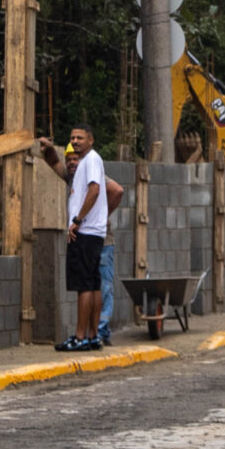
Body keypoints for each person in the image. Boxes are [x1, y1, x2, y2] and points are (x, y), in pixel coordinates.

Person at [40, 124, 107, 351]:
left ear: (91, 140)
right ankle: (92, 335)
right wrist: (50, 153)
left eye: (80, 137)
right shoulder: (81, 166)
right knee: (94, 283)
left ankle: (80, 337)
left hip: (86, 232)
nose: (76, 141)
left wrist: (78, 220)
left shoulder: (91, 160)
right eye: (72, 138)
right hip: (91, 231)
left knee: (84, 286)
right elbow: (60, 168)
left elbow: (95, 190)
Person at [60, 143, 127, 346]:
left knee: (94, 286)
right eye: (68, 159)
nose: (72, 162)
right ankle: (93, 335)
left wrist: (99, 216)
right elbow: (55, 164)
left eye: (75, 158)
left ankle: (95, 333)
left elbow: (116, 190)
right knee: (94, 285)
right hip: (93, 235)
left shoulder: (91, 172)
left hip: (97, 238)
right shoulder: (75, 177)